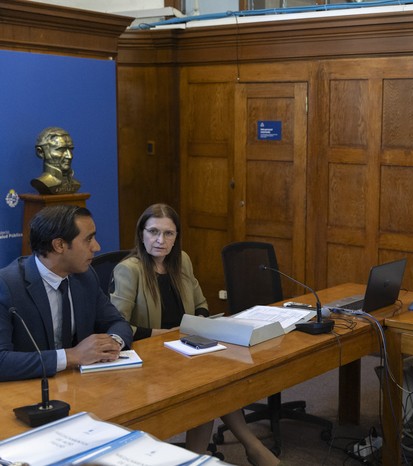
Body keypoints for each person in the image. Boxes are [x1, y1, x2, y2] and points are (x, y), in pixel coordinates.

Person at [110, 204, 279, 466]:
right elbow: (117, 325)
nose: (160, 240)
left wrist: (199, 322)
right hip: (149, 356)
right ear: (141, 233)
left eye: (168, 233)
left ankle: (201, 457)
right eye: (153, 231)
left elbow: (200, 303)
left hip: (187, 348)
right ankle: (248, 446)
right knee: (208, 387)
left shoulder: (182, 261)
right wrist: (161, 333)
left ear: (176, 236)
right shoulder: (129, 270)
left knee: (220, 379)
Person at [0, 205, 132, 382]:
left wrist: (111, 343)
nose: (97, 247)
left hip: (81, 387)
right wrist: (72, 356)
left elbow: (117, 323)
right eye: (88, 239)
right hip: (29, 392)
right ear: (59, 245)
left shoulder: (86, 276)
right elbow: (2, 361)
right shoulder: (7, 285)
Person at [31, 127, 81, 195]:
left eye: (70, 150)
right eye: (61, 150)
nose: (69, 156)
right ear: (41, 152)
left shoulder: (75, 184)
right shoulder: (42, 183)